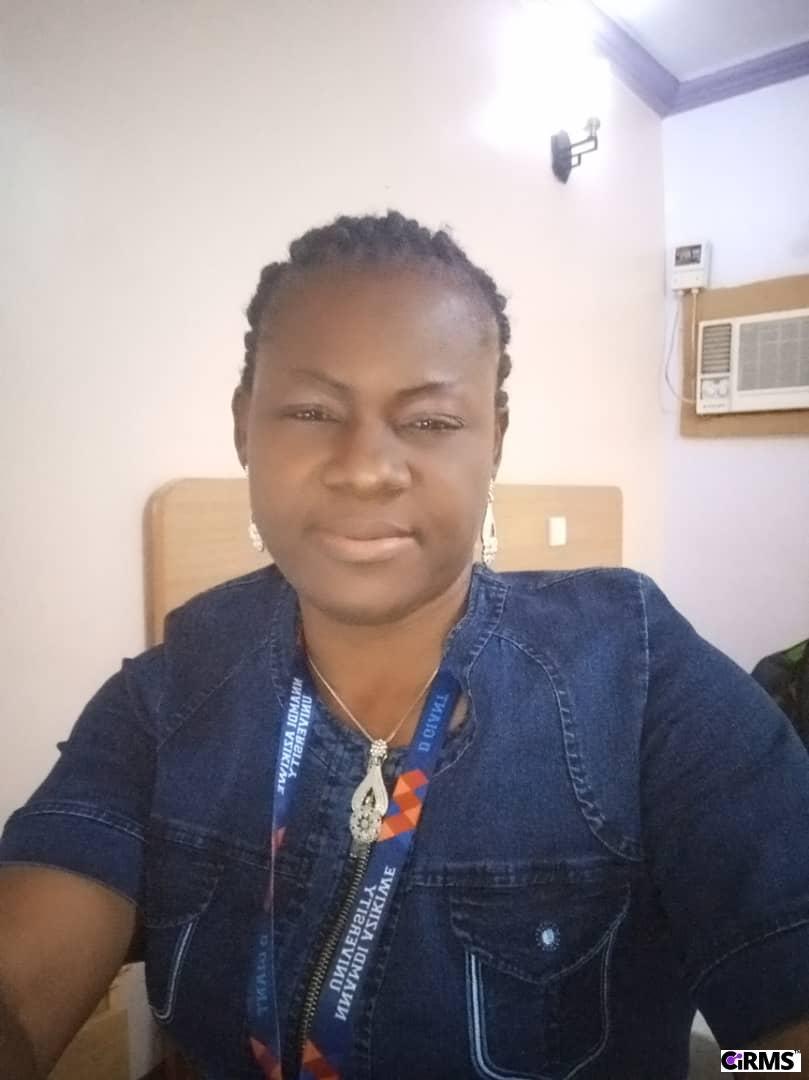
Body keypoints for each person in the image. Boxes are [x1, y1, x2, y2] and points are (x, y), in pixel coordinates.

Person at [1, 211, 808, 1080]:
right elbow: (23, 983)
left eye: (427, 422)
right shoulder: (167, 697)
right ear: (244, 425)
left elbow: (778, 1045)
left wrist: (742, 1070)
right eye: (311, 411)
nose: (365, 467)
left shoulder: (639, 676)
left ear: (493, 437)